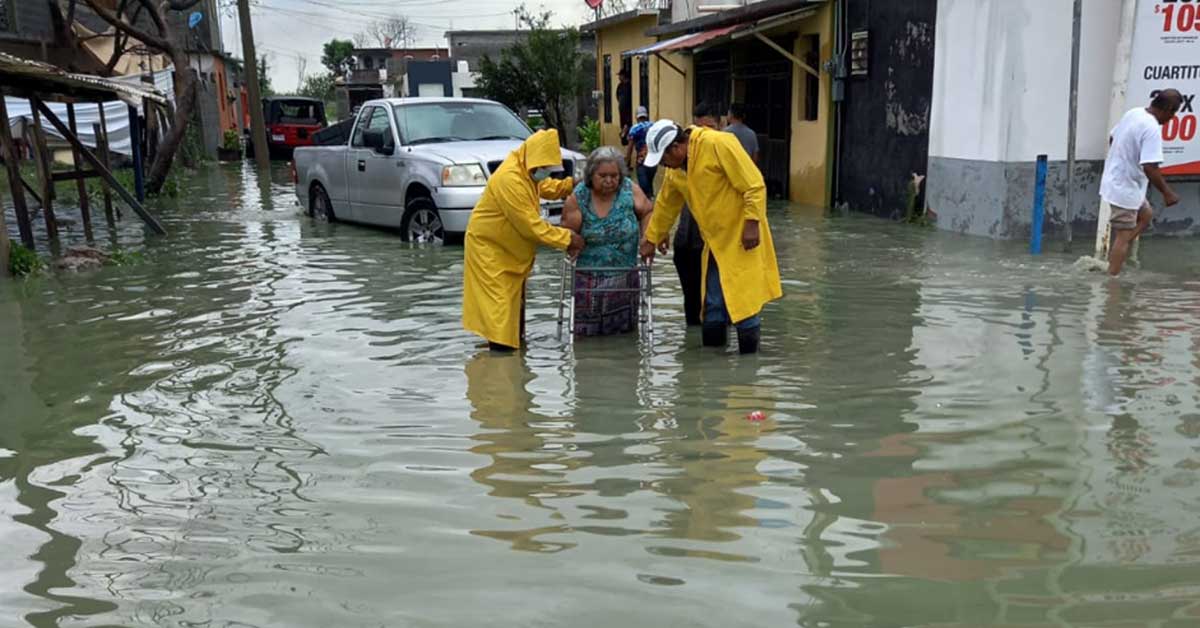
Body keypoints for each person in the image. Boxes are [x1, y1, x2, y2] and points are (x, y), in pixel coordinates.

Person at [640, 120, 783, 354]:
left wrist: (751, 224)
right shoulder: (676, 170)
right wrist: (652, 237)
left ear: (676, 148)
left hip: (741, 238)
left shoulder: (718, 144)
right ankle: (712, 366)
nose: (664, 165)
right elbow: (667, 203)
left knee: (745, 302)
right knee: (713, 303)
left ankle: (748, 364)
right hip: (715, 243)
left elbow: (754, 185)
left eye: (664, 159)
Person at [462, 129, 586, 351]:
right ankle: (501, 358)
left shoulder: (526, 170)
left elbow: (544, 186)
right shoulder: (510, 179)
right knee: (499, 309)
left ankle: (514, 352)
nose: (545, 173)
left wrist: (570, 184)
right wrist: (568, 238)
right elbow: (531, 227)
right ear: (534, 160)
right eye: (544, 168)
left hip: (508, 249)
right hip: (489, 249)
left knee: (513, 306)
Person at [561, 147, 654, 336]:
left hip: (624, 279)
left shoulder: (628, 189)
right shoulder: (579, 197)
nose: (609, 181)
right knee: (586, 339)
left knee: (625, 338)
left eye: (614, 176)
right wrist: (572, 241)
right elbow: (567, 233)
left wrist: (647, 238)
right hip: (589, 282)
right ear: (591, 175)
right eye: (602, 176)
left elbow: (647, 211)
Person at [1102, 89, 1182, 276]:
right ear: (1168, 109)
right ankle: (1112, 281)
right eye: (1173, 113)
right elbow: (1150, 167)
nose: (1172, 119)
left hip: (1121, 182)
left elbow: (1113, 138)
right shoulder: (1151, 128)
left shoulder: (1134, 113)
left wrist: (1123, 158)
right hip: (1124, 188)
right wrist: (1167, 193)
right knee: (1122, 237)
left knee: (1146, 215)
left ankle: (1118, 251)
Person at [670, 107, 721, 327]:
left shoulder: (724, 148)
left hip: (716, 241)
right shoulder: (678, 164)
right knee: (692, 302)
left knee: (716, 301)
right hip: (687, 240)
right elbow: (666, 201)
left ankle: (717, 332)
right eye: (699, 128)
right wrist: (654, 235)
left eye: (709, 127)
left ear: (720, 125)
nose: (703, 133)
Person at [627, 106, 656, 196]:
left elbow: (630, 147)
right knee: (649, 184)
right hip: (653, 160)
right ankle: (650, 199)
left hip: (641, 161)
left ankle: (646, 201)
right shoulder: (653, 126)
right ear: (646, 116)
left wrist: (627, 161)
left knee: (644, 187)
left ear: (636, 117)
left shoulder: (634, 129)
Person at [616, 69, 633, 143]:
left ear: (624, 76)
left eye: (620, 75)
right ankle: (624, 138)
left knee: (627, 123)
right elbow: (617, 96)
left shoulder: (629, 85)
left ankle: (625, 135)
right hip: (621, 108)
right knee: (623, 124)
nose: (619, 77)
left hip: (628, 109)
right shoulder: (620, 86)